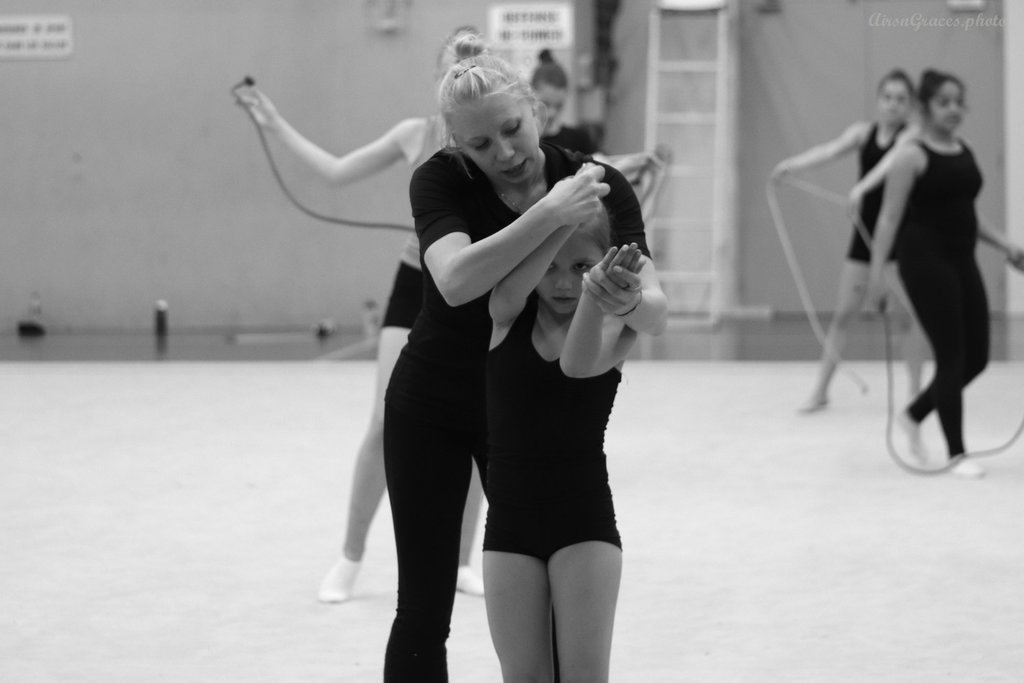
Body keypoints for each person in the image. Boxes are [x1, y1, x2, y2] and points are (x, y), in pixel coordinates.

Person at [383, 32, 667, 681]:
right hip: (433, 403)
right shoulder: (441, 179)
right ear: (457, 145)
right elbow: (455, 280)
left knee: (561, 625)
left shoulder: (597, 184)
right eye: (481, 145)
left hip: (522, 419)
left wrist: (626, 301)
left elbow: (653, 308)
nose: (505, 153)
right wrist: (550, 211)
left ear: (536, 110)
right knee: (423, 611)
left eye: (513, 129)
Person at [233, 28, 486, 602]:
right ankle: (350, 555)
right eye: (452, 71)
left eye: (474, 70)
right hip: (418, 283)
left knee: (477, 427)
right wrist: (274, 123)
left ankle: (460, 560)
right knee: (385, 419)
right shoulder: (414, 134)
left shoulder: (495, 135)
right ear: (438, 79)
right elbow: (335, 170)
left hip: (473, 286)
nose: (461, 81)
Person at [483, 202, 644, 681]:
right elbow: (515, 280)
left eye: (581, 267)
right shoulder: (506, 314)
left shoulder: (615, 326)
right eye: (550, 266)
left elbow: (575, 365)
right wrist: (554, 221)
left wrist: (598, 290)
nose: (563, 283)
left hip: (583, 524)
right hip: (509, 527)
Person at [867, 69, 1024, 478]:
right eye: (944, 102)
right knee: (951, 354)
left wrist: (1006, 243)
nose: (954, 109)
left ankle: (913, 415)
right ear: (925, 107)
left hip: (961, 257)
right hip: (924, 261)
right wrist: (878, 276)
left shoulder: (963, 148)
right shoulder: (911, 155)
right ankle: (957, 453)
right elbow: (888, 219)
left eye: (959, 102)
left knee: (977, 358)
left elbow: (966, 213)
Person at [772, 69, 928, 413]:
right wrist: (791, 165)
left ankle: (916, 392)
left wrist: (861, 187)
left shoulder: (912, 136)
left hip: (900, 238)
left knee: (906, 319)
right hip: (864, 236)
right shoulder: (862, 132)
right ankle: (821, 390)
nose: (893, 104)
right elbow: (828, 150)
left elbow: (889, 164)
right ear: (878, 100)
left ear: (909, 105)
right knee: (843, 315)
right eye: (888, 97)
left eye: (901, 99)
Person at [531, 49, 662, 184]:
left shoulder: (578, 139)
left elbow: (605, 168)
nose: (552, 113)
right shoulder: (526, 141)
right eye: (545, 104)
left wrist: (634, 163)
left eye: (559, 106)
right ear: (531, 96)